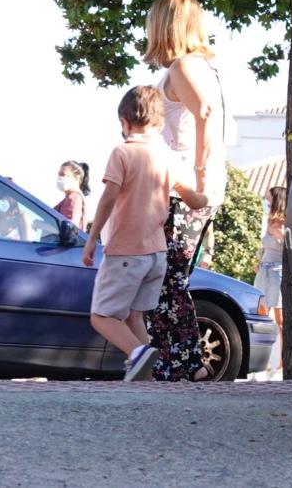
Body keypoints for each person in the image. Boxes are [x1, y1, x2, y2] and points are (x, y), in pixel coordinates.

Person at [83, 86, 207, 381]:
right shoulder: (167, 157)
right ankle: (150, 379)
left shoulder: (123, 153)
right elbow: (193, 199)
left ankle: (137, 354)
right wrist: (207, 193)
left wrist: (91, 238)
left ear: (123, 122)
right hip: (157, 256)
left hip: (126, 252)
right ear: (160, 123)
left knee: (101, 316)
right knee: (134, 315)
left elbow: (109, 197)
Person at [144, 0, 227, 381]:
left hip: (184, 192)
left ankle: (178, 364)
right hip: (189, 188)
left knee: (165, 278)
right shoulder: (198, 68)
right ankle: (184, 362)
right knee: (170, 279)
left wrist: (198, 173)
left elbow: (205, 114)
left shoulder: (183, 67)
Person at [253, 185, 286, 368]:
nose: (266, 201)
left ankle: (282, 360)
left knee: (280, 320)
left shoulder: (284, 223)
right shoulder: (268, 222)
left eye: (268, 198)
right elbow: (264, 247)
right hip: (264, 270)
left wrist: (280, 234)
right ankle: (262, 360)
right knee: (261, 314)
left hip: (277, 271)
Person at [54, 161, 90, 231]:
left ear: (77, 178)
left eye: (63, 175)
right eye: (59, 174)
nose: (59, 177)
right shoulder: (70, 198)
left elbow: (69, 228)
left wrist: (42, 225)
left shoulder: (74, 198)